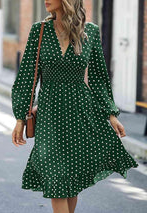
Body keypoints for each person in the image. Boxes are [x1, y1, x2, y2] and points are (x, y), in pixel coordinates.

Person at [11, 0, 139, 212]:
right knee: (56, 180)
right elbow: (26, 77)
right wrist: (19, 118)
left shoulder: (89, 32)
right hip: (49, 116)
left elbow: (98, 77)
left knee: (70, 182)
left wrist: (111, 115)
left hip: (80, 113)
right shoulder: (39, 31)